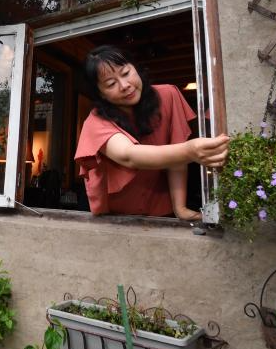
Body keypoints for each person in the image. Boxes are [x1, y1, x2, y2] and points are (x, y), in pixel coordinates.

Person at [74, 45, 229, 219]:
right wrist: (190, 151)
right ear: (101, 94)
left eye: (126, 73)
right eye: (111, 84)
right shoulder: (95, 121)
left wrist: (180, 208)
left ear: (135, 68)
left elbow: (177, 160)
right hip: (115, 214)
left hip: (159, 207)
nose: (125, 85)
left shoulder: (168, 95)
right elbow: (128, 155)